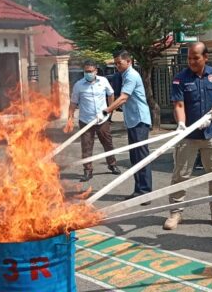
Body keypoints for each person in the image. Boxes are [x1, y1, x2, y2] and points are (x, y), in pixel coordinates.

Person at [164, 42, 212, 230]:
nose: (192, 61)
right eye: (189, 58)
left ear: (205, 57)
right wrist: (181, 124)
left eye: (196, 57)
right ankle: (175, 213)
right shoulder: (180, 78)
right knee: (180, 176)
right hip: (188, 136)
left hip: (210, 134)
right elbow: (179, 104)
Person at [105, 50, 152, 203]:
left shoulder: (131, 75)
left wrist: (107, 110)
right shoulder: (124, 75)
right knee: (135, 157)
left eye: (120, 62)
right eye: (116, 63)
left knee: (141, 156)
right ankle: (139, 190)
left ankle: (145, 192)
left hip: (139, 120)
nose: (117, 65)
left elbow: (124, 97)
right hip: (133, 121)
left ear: (129, 61)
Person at [64, 60, 121, 182]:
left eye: (90, 71)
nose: (88, 73)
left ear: (96, 71)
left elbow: (111, 94)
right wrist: (70, 117)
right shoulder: (79, 85)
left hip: (102, 120)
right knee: (86, 146)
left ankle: (112, 164)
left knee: (107, 143)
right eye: (86, 71)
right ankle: (88, 171)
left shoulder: (103, 81)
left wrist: (110, 110)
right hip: (86, 120)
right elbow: (73, 102)